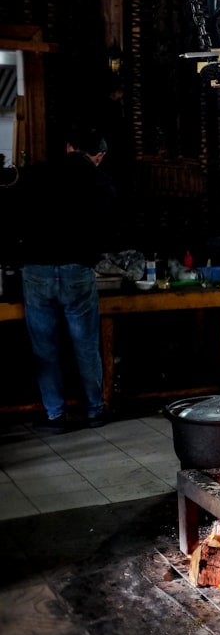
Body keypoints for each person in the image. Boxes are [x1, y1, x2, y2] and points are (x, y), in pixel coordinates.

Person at [19, 128, 117, 434]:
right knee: (85, 344)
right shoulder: (101, 180)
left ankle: (55, 415)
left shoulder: (37, 174)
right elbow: (110, 227)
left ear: (69, 147)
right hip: (78, 270)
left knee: (45, 347)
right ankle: (94, 410)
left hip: (37, 269)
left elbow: (16, 214)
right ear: (99, 156)